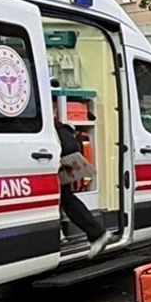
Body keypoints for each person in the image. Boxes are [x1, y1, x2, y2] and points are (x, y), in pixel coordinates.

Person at [54, 102, 109, 258]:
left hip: (54, 150)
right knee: (63, 196)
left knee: (63, 196)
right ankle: (95, 233)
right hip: (61, 147)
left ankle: (96, 233)